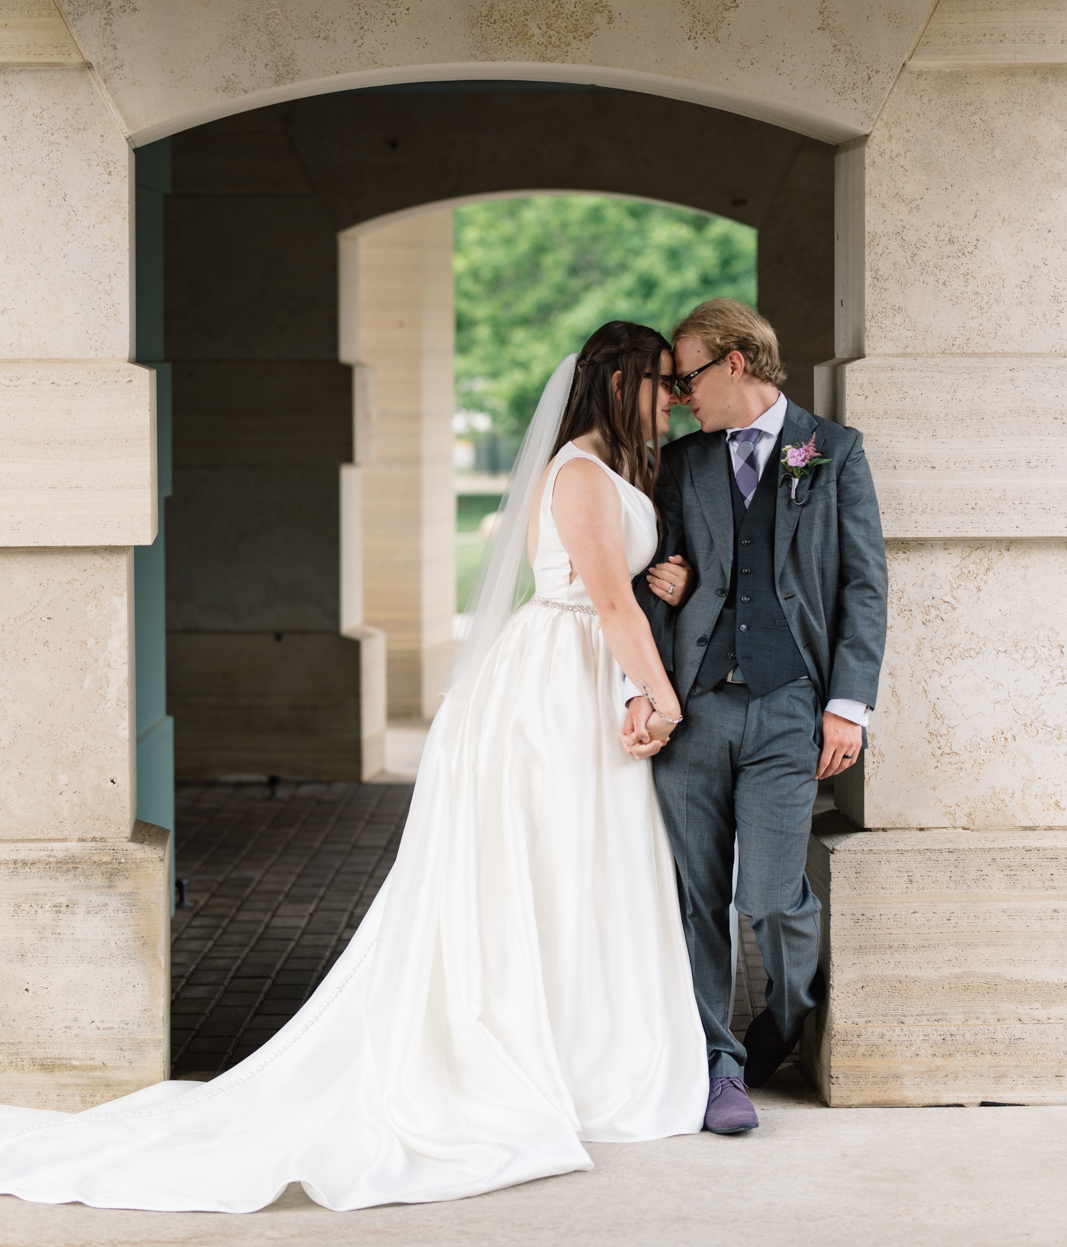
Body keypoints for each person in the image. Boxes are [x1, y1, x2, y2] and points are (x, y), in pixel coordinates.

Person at [0, 322, 709, 1214]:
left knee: (583, 864)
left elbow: (619, 585)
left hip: (585, 671)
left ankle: (582, 1046)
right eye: (660, 385)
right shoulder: (577, 471)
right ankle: (548, 1052)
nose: (671, 401)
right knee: (552, 859)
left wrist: (662, 591)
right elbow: (601, 598)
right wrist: (662, 695)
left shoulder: (614, 471)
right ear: (619, 383)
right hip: (555, 684)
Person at [623, 299, 888, 1136]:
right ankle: (717, 1068)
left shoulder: (831, 451)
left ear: (736, 363)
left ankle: (786, 1012)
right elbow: (642, 576)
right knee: (696, 899)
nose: (677, 393)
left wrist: (846, 707)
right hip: (693, 708)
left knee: (769, 901)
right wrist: (662, 603)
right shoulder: (680, 463)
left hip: (787, 710)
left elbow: (862, 585)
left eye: (687, 376)